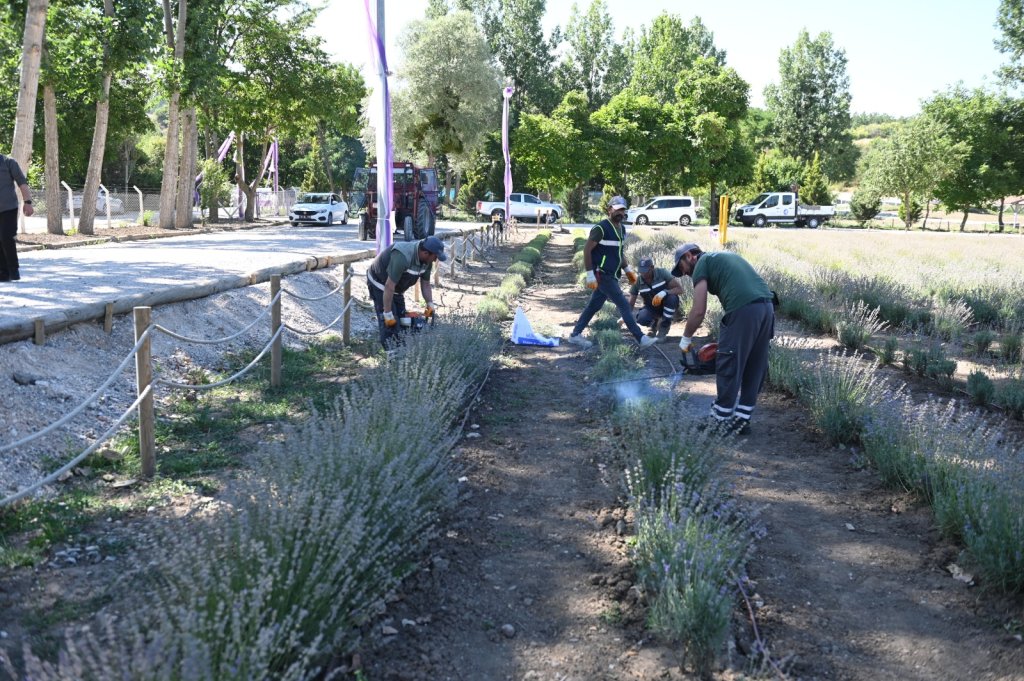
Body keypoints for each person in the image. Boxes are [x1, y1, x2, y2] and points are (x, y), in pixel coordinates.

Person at [672, 242, 774, 433]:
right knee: (755, 364)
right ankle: (742, 419)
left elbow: (698, 310)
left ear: (689, 256)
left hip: (743, 309)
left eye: (682, 268)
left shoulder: (702, 263)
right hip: (766, 308)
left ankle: (720, 420)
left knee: (729, 361)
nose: (684, 274)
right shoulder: (722, 257)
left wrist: (686, 337)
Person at [567, 196, 656, 349]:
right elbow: (587, 250)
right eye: (617, 209)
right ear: (609, 210)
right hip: (602, 274)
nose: (620, 212)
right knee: (624, 305)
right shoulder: (600, 228)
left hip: (612, 275)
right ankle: (640, 338)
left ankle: (575, 334)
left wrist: (627, 270)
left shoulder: (621, 229)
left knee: (593, 306)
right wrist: (590, 274)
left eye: (623, 209)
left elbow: (618, 253)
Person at [366, 235, 447, 349]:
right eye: (435, 257)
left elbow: (425, 284)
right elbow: (389, 286)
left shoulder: (427, 262)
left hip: (397, 289)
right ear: (425, 253)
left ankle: (401, 349)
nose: (435, 260)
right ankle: (392, 355)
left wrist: (430, 304)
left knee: (403, 320)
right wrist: (388, 312)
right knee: (390, 322)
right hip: (380, 284)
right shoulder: (402, 256)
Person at [628, 257, 684, 341]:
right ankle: (653, 326)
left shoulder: (662, 273)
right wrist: (625, 317)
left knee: (672, 298)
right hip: (651, 307)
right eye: (641, 271)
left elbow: (680, 289)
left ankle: (663, 328)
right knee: (641, 318)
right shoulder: (637, 281)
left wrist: (665, 292)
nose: (644, 274)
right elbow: (631, 303)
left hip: (667, 304)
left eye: (646, 271)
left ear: (652, 267)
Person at [0, 153, 33, 282]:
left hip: (9, 208)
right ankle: (3, 272)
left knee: (6, 237)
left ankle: (13, 269)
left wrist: (28, 202)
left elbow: (22, 183)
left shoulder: (8, 162)